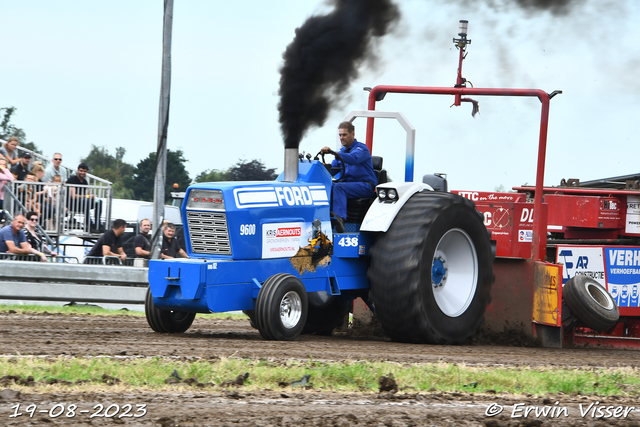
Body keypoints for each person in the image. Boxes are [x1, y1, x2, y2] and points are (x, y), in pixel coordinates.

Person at [319, 121, 377, 232]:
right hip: (348, 186)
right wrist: (321, 169)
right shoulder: (341, 153)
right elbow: (332, 171)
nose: (341, 137)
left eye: (344, 134)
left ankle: (340, 219)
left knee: (338, 187)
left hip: (365, 186)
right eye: (340, 135)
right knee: (328, 185)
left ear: (353, 134)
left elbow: (353, 158)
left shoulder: (362, 149)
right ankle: (323, 217)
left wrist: (334, 153)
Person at [66, 163, 102, 232]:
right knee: (86, 201)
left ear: (87, 172)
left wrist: (93, 197)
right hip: (72, 204)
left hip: (83, 203)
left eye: (84, 171)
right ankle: (89, 224)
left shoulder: (85, 181)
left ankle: (98, 224)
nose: (82, 172)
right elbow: (73, 195)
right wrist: (88, 196)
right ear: (78, 170)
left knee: (99, 202)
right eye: (81, 171)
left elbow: (87, 194)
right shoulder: (72, 180)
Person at [0, 158, 15, 223]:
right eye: (1, 164)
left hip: (2, 196)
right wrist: (5, 170)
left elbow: (12, 179)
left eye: (4, 164)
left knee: (7, 207)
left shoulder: (4, 173)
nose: (2, 165)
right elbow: (11, 178)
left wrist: (5, 170)